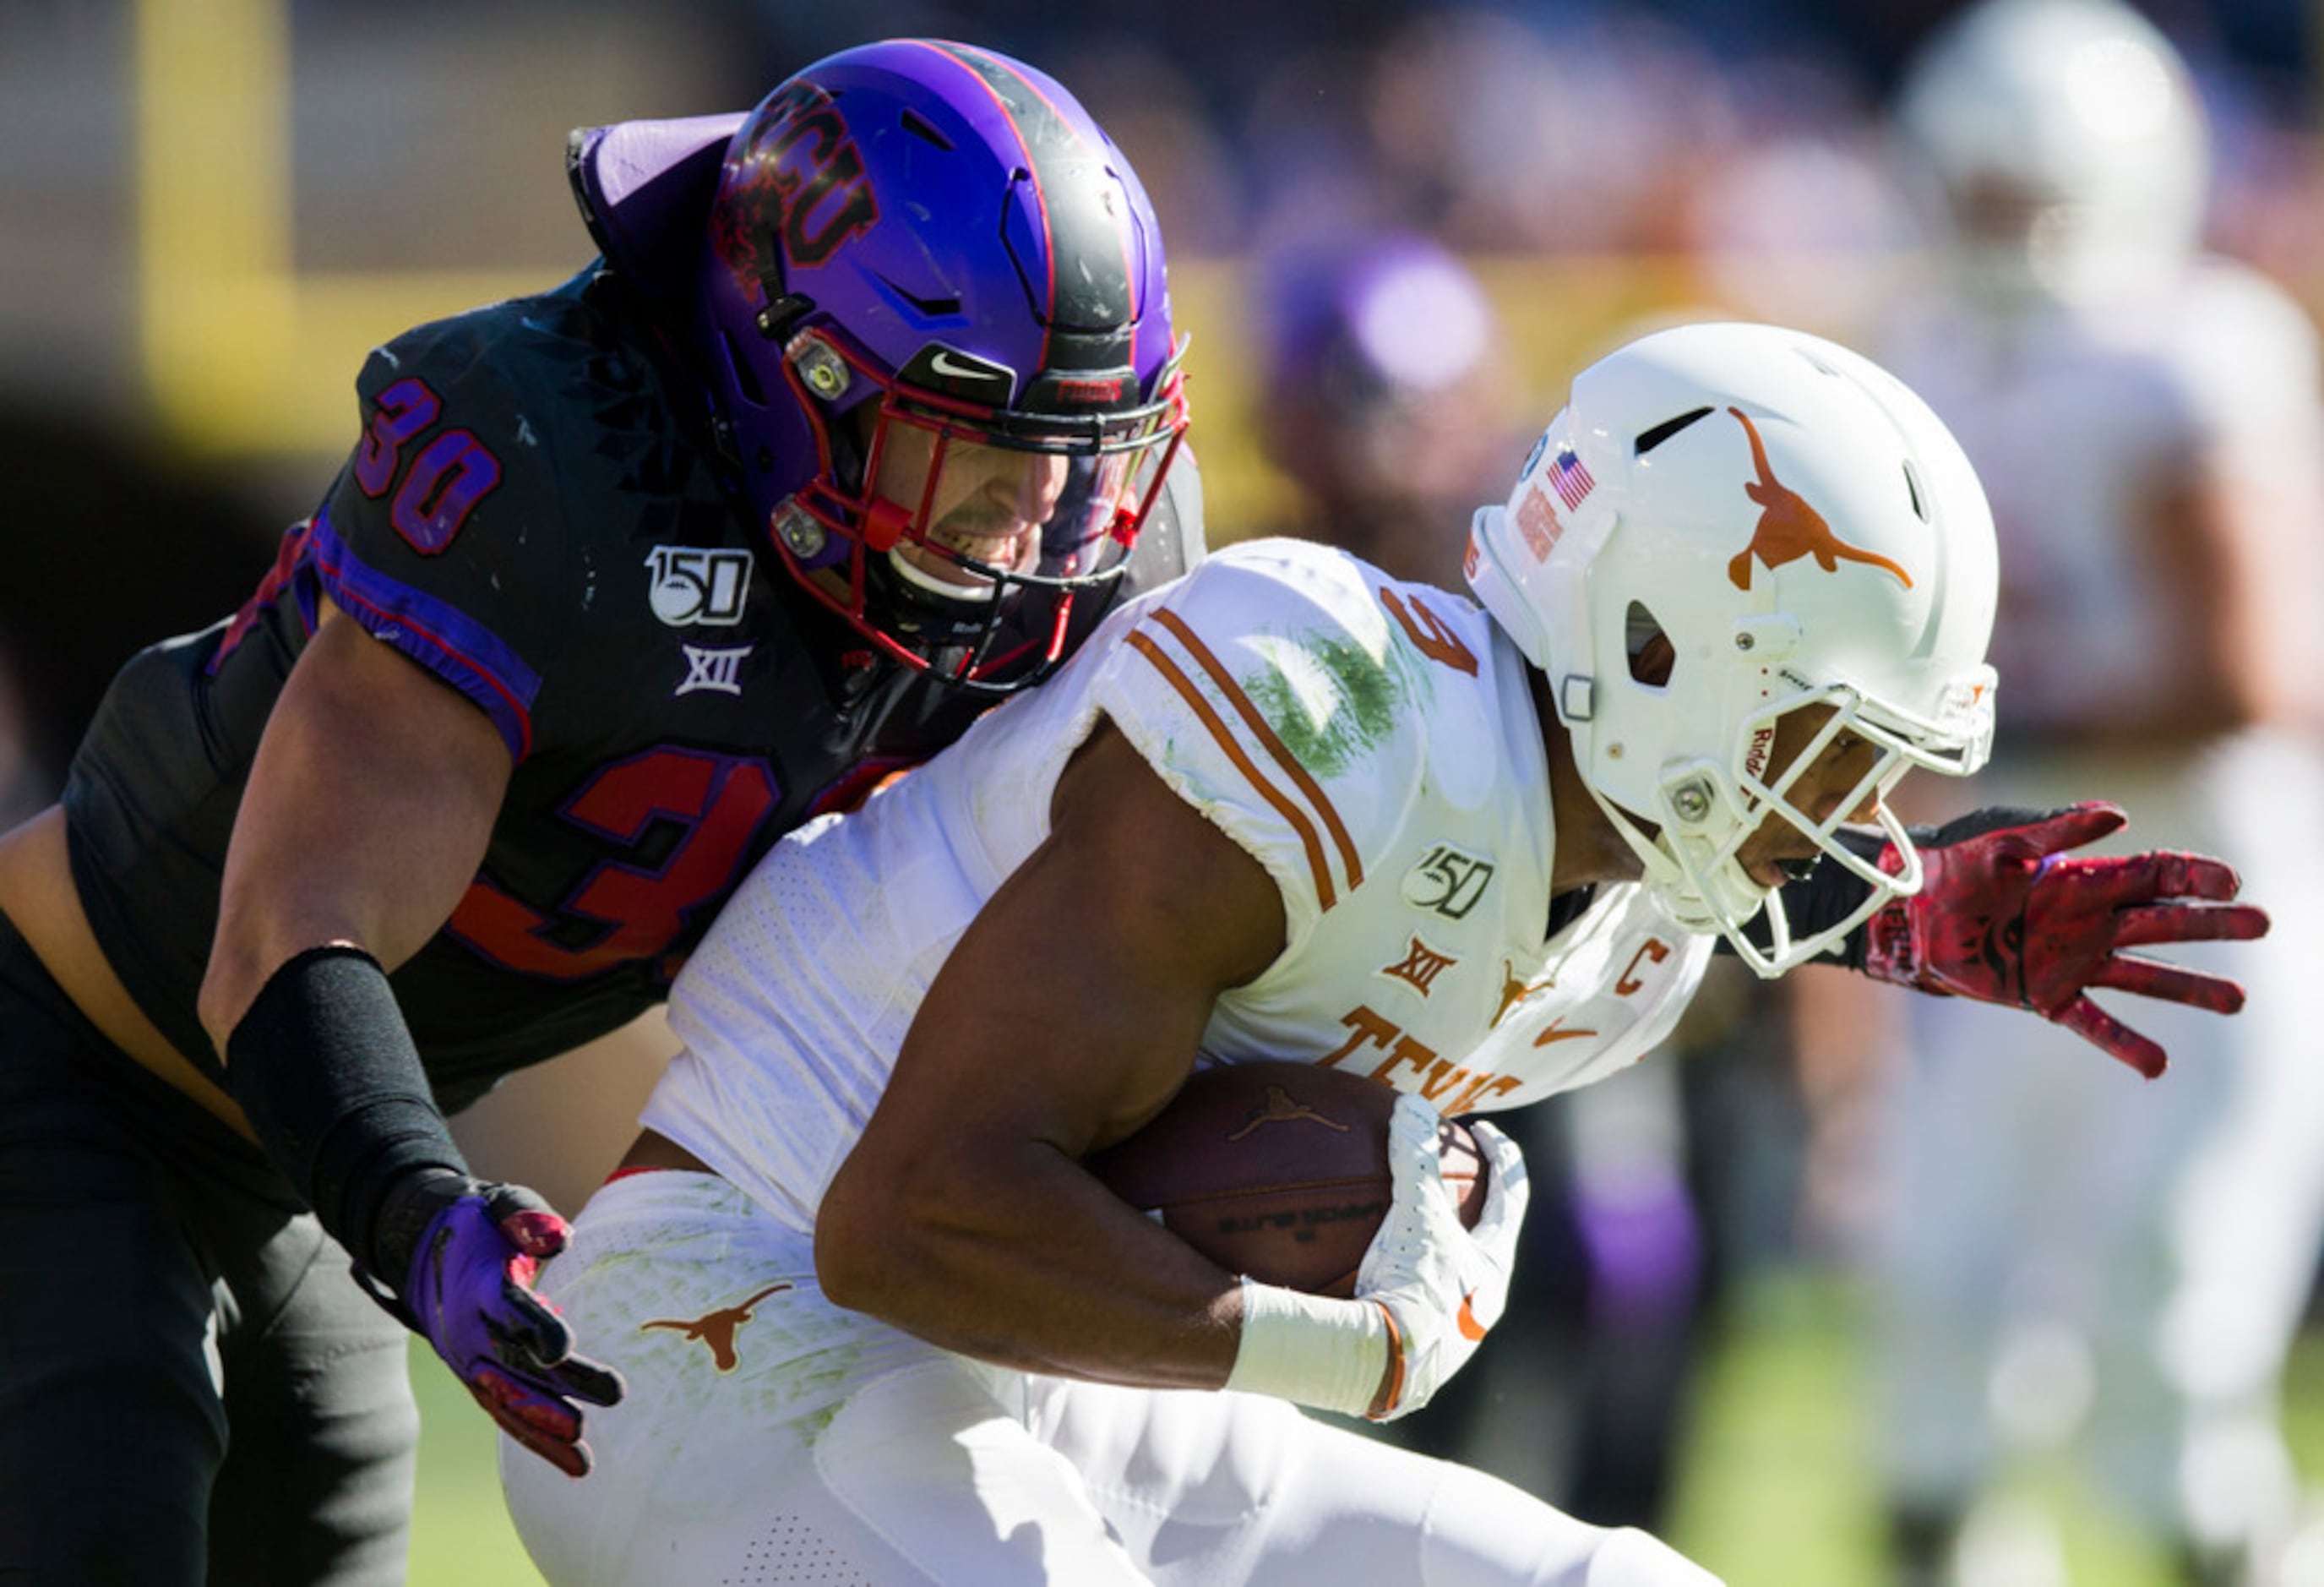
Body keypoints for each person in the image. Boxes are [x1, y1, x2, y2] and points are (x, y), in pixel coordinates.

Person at [498, 319, 2266, 1585]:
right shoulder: (1329, 712)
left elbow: (1650, 873)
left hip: (1039, 1387)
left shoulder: (1632, 912)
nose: (1848, 802)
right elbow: (904, 1219)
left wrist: (1915, 920)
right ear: (1654, 648)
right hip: (734, 1339)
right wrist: (1350, 1354)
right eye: (1817, 741)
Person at [0, 39, 1200, 1586]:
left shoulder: (1060, 536)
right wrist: (419, 1210)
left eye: (1075, 457)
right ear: (799, 380)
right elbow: (286, 933)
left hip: (283, 1162)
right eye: (975, 454)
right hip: (73, 1066)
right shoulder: (550, 448)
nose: (1041, 525)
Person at [1859, 3, 2324, 1582]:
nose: (2007, 227)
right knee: (1939, 1302)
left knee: (2167, 1326)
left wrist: (1989, 720)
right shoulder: (1916, 349)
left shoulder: (2193, 350)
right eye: (1984, 187)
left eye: (2033, 189)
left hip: (2192, 890)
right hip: (1993, 886)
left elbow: (2249, 670)